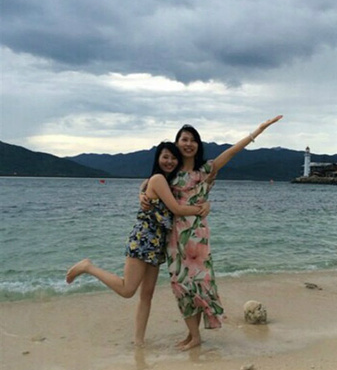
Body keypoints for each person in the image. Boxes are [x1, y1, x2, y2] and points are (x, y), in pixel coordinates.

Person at [143, 116, 283, 351]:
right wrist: (142, 196)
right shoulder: (170, 172)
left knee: (198, 283)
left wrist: (258, 131)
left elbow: (232, 152)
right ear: (177, 143)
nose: (188, 144)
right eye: (184, 139)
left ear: (198, 145)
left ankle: (195, 336)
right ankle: (193, 334)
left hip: (197, 235)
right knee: (180, 285)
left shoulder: (205, 170)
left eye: (193, 140)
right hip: (175, 236)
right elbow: (148, 184)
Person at [66, 141, 210, 346]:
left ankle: (139, 340)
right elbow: (177, 209)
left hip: (158, 243)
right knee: (127, 289)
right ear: (158, 158)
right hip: (144, 238)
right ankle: (88, 267)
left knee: (146, 295)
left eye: (173, 158)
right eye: (165, 157)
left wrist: (141, 192)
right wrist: (202, 209)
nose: (169, 161)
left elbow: (145, 185)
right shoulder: (159, 179)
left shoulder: (166, 182)